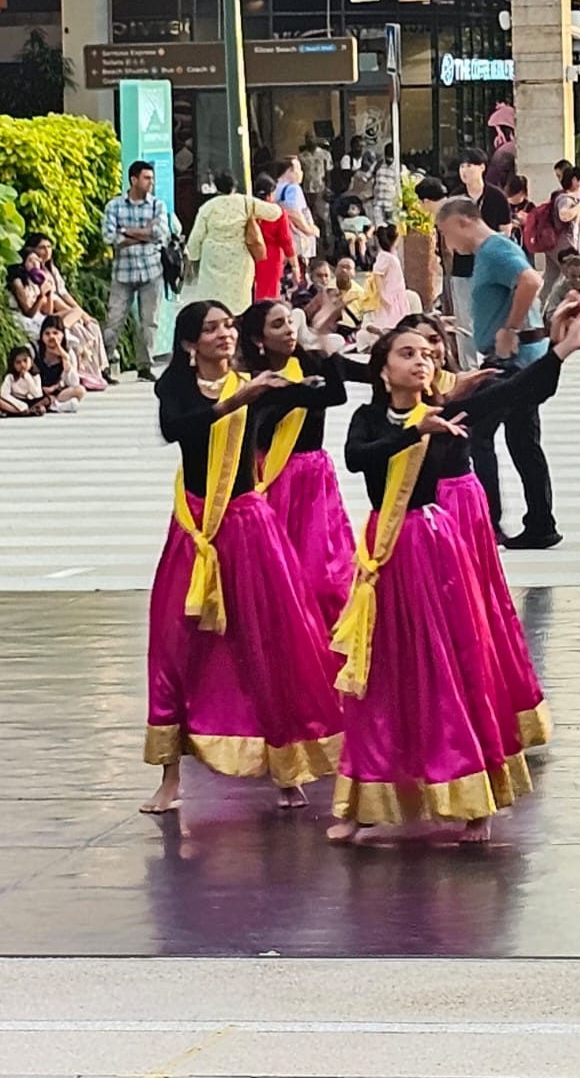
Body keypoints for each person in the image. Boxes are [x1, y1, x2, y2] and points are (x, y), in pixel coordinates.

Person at [330, 305, 580, 845]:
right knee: (382, 673)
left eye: (429, 355)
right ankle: (364, 801)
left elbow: (515, 392)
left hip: (433, 552)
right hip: (385, 555)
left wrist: (561, 350)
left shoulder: (454, 414)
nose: (421, 362)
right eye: (408, 353)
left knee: (450, 667)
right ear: (383, 369)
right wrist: (414, 431)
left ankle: (473, 801)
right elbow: (359, 458)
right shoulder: (372, 419)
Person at [142, 299, 343, 817]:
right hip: (195, 528)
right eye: (211, 329)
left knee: (265, 642)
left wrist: (319, 340)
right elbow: (177, 428)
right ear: (189, 343)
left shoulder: (256, 384)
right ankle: (170, 776)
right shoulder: (181, 387)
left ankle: (285, 768)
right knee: (176, 644)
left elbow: (327, 395)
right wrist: (241, 400)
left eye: (228, 326)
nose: (223, 335)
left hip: (248, 524)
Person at [434, 196, 561, 549]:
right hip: (519, 357)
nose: (448, 244)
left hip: (511, 359)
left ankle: (489, 522)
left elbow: (531, 281)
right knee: (522, 440)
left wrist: (509, 328)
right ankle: (539, 522)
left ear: (461, 222)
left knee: (476, 431)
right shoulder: (491, 252)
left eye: (445, 234)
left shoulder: (493, 250)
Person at [238, 299, 355, 629]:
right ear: (259, 339)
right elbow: (261, 426)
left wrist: (321, 338)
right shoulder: (255, 381)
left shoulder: (310, 362)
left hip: (314, 478)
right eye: (277, 325)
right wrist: (294, 392)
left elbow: (337, 394)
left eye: (290, 321)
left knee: (324, 567)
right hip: (276, 476)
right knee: (281, 564)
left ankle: (325, 629)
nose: (289, 330)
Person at [101, 159, 172, 381]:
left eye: (152, 178)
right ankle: (105, 363)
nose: (151, 182)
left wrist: (126, 233)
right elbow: (109, 237)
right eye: (146, 178)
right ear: (133, 179)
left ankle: (145, 365)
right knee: (114, 319)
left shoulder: (157, 205)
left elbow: (160, 234)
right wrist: (143, 233)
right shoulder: (114, 206)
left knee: (149, 321)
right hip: (123, 272)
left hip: (151, 271)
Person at [443, 148, 511, 368]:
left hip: (490, 269)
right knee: (464, 320)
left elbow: (505, 231)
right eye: (462, 166)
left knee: (494, 315)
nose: (465, 171)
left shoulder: (496, 197)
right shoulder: (455, 198)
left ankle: (496, 361)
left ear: (482, 167)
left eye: (469, 165)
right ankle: (469, 367)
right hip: (462, 269)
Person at [184, 173, 282, 319]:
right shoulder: (245, 202)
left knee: (213, 299)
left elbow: (196, 237)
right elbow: (275, 213)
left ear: (216, 187)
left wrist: (193, 256)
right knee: (239, 301)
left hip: (213, 259)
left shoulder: (208, 207)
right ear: (235, 186)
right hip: (239, 259)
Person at [24, 234, 108, 387]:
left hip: (53, 312)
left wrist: (82, 314)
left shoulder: (51, 271)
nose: (46, 251)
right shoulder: (30, 278)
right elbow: (46, 307)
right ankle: (81, 371)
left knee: (90, 324)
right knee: (77, 324)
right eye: (42, 248)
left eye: (49, 247)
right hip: (43, 317)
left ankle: (98, 371)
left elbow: (63, 294)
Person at [251, 174, 296, 305]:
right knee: (268, 296)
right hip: (270, 256)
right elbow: (286, 241)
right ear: (270, 193)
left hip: (250, 253)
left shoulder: (249, 210)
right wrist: (295, 266)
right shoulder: (277, 212)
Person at [358, 226, 412, 338]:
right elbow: (378, 275)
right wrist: (383, 295)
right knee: (389, 322)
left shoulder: (390, 255)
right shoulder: (385, 257)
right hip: (390, 294)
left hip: (396, 292)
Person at [273, 156, 318, 287]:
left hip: (281, 242)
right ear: (290, 171)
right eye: (299, 169)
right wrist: (310, 230)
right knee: (298, 281)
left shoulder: (274, 187)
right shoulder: (293, 188)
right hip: (296, 243)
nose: (301, 173)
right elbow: (293, 212)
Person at [35, 318, 84, 412]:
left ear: (62, 335)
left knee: (80, 390)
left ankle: (54, 405)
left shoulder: (68, 353)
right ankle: (55, 405)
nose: (51, 337)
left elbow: (73, 383)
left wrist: (65, 357)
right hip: (37, 391)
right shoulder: (35, 351)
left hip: (57, 392)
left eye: (55, 333)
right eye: (47, 333)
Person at [0, 342, 47, 416]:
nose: (22, 365)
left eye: (25, 360)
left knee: (44, 404)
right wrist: (21, 405)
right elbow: (4, 394)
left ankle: (19, 412)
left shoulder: (35, 376)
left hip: (32, 401)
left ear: (31, 361)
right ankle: (21, 412)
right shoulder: (10, 377)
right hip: (16, 402)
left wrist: (27, 377)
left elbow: (37, 394)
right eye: (18, 362)